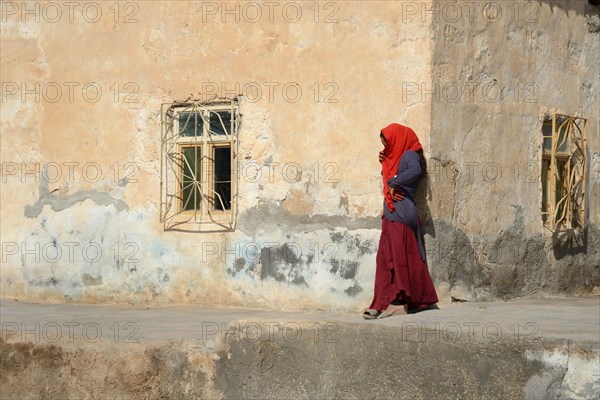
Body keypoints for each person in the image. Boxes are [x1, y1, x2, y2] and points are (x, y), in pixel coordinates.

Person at [363, 123, 439, 319]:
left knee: (399, 258)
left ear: (398, 139)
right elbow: (392, 174)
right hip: (392, 211)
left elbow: (413, 171)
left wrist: (393, 182)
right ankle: (382, 302)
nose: (386, 147)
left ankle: (399, 302)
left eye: (388, 143)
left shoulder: (409, 155)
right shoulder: (400, 156)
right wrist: (385, 163)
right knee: (386, 258)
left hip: (401, 211)